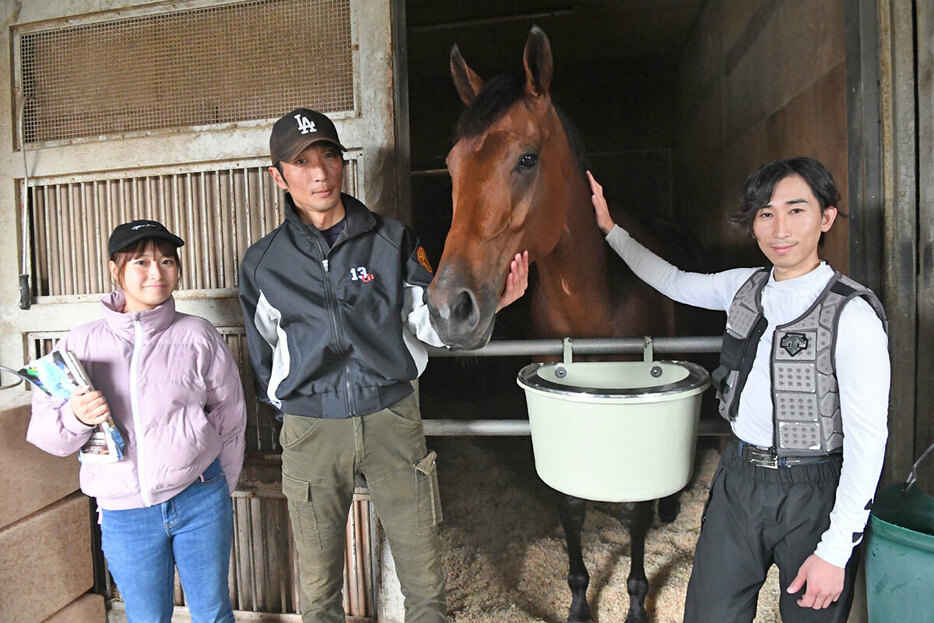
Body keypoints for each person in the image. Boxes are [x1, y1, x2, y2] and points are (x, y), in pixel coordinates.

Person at [238, 108, 528, 623]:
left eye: (328, 155)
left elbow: (428, 322)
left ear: (342, 162)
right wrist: (298, 408)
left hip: (392, 419)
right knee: (320, 593)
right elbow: (264, 354)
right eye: (301, 162)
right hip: (311, 432)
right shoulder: (263, 264)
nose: (320, 172)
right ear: (278, 176)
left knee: (424, 583)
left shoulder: (392, 240)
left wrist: (493, 308)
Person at [588, 158, 889, 623]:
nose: (779, 228)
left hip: (815, 492)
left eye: (796, 210)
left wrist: (835, 551)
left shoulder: (853, 315)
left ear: (826, 218)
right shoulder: (741, 287)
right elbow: (671, 280)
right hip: (740, 479)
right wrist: (611, 230)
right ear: (753, 226)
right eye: (766, 214)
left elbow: (868, 443)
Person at [27, 220, 247, 623]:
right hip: (124, 511)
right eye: (141, 261)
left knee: (213, 613)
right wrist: (76, 416)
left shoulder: (198, 335)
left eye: (166, 261)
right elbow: (45, 435)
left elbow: (231, 419)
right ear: (116, 269)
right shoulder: (81, 343)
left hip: (199, 496)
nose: (156, 273)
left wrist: (219, 488)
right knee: (146, 618)